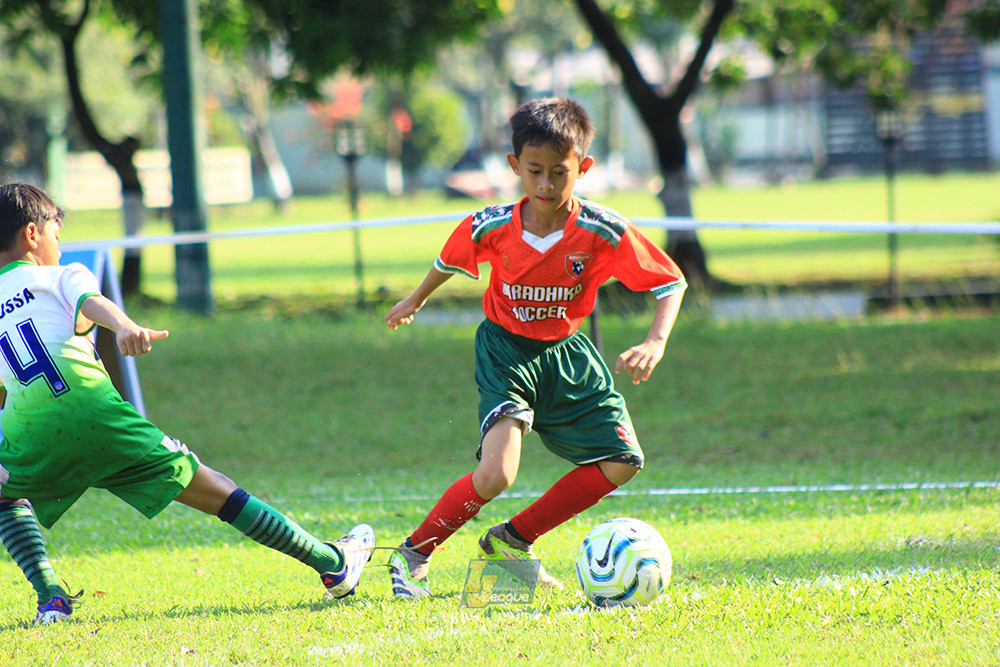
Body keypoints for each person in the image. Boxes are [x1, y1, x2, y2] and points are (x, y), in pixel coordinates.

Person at [0, 183, 375, 625]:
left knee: (6, 499)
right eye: (56, 237)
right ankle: (333, 565)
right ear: (32, 234)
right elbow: (92, 301)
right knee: (215, 490)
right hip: (100, 420)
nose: (60, 248)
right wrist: (124, 325)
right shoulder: (61, 275)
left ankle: (52, 599)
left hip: (32, 432)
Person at [383, 98, 687, 598]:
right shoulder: (492, 224)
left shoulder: (602, 229)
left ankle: (511, 540)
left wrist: (655, 341)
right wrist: (415, 299)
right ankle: (414, 552)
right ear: (515, 167)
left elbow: (669, 283)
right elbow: (447, 259)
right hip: (505, 352)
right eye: (534, 171)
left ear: (583, 168)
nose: (545, 185)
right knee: (498, 473)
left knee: (623, 459)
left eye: (559, 173)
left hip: (569, 357)